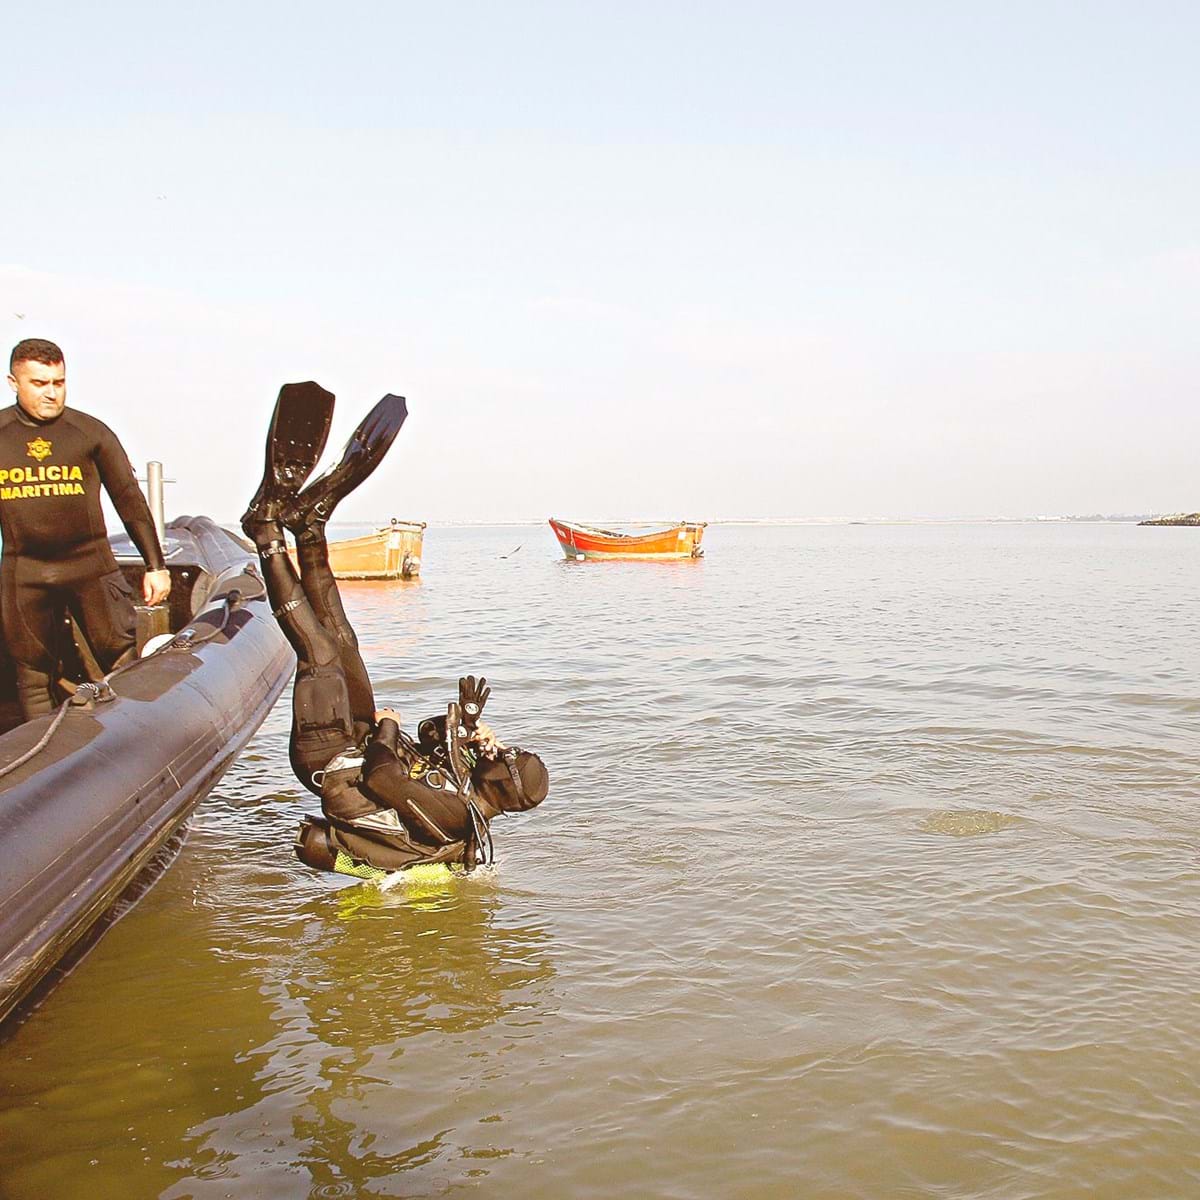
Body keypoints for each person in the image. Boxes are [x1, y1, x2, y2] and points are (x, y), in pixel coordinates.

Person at [240, 382, 549, 880]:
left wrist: (386, 728)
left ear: (505, 787)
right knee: (342, 638)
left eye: (510, 755)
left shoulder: (455, 817)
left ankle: (266, 533)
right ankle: (309, 529)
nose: (505, 749)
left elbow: (385, 780)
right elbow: (429, 741)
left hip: (327, 757)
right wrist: (467, 732)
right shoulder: (471, 780)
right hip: (359, 739)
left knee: (318, 655)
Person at [0, 339, 170, 718]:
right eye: (39, 383)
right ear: (14, 382)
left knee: (123, 657)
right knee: (32, 674)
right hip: (24, 573)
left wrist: (155, 565)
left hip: (89, 566)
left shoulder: (88, 432)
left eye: (58, 383)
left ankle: (133, 735)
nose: (51, 393)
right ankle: (42, 764)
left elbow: (128, 498)